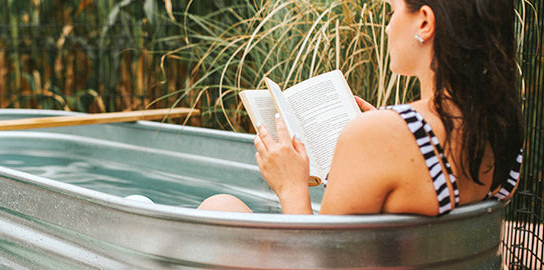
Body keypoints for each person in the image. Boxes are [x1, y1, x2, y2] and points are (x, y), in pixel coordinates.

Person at [197, 0, 524, 216]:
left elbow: (319, 261)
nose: (386, 27)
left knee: (219, 208)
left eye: (391, 11)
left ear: (424, 23)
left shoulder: (382, 134)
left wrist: (291, 185)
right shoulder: (503, 131)